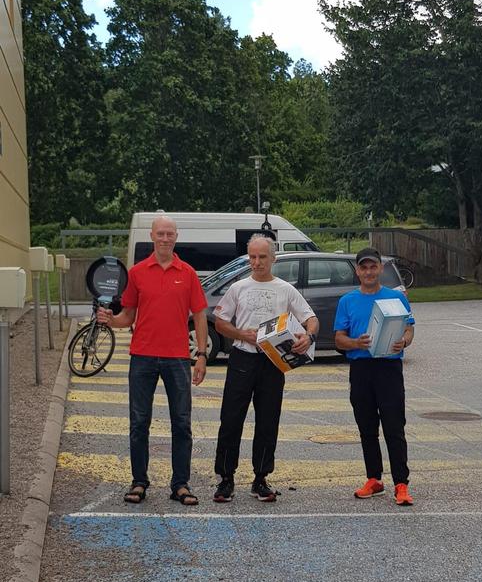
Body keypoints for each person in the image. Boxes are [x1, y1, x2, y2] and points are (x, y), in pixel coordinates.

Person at [97, 215, 208, 506]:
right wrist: (110, 320)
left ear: (176, 237)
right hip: (143, 356)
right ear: (152, 236)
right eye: (160, 233)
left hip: (178, 358)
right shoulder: (136, 273)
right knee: (139, 422)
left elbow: (199, 316)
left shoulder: (188, 273)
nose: (165, 238)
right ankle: (139, 482)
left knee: (181, 423)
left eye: (170, 234)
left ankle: (180, 484)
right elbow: (127, 317)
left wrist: (201, 355)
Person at [213, 234, 319, 503]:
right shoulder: (238, 287)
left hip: (273, 361)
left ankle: (260, 478)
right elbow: (220, 322)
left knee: (268, 421)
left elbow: (311, 318)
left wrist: (309, 337)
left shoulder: (285, 289)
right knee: (231, 419)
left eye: (262, 257)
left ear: (273, 258)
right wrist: (241, 334)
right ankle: (225, 478)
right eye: (252, 257)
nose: (257, 262)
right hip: (242, 357)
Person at [333, 247, 415, 506]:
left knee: (394, 426)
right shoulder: (347, 301)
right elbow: (339, 339)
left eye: (373, 267)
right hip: (361, 369)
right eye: (364, 267)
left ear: (380, 268)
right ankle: (374, 479)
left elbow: (409, 328)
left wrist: (404, 341)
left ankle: (401, 483)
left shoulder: (395, 297)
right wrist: (355, 343)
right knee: (367, 427)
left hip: (388, 369)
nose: (368, 272)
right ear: (357, 271)